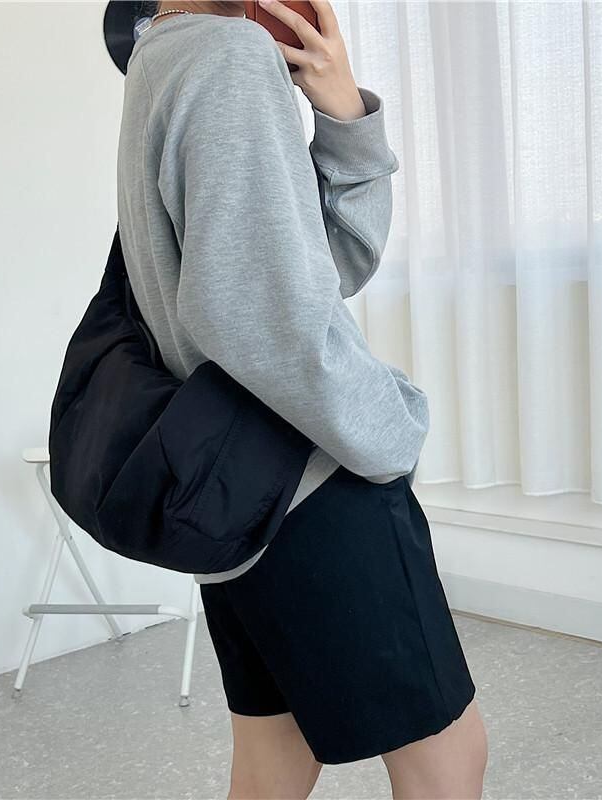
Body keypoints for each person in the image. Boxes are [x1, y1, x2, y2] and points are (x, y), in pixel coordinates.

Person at [116, 1, 488, 796]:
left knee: (273, 762)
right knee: (447, 757)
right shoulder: (228, 55)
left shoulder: (158, 56)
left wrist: (343, 118)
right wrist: (391, 428)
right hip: (310, 483)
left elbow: (319, 268)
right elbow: (249, 313)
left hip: (233, 497)